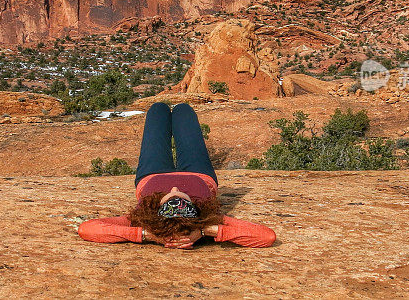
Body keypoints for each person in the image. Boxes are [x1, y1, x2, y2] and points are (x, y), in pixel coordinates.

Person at [78, 102, 276, 249]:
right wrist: (206, 230)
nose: (175, 188)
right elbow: (266, 237)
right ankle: (180, 108)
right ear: (195, 213)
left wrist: (147, 234)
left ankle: (161, 108)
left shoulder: (145, 219)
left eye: (169, 197)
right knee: (184, 110)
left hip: (151, 174)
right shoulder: (206, 219)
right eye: (182, 197)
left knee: (157, 109)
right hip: (199, 173)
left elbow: (88, 229)